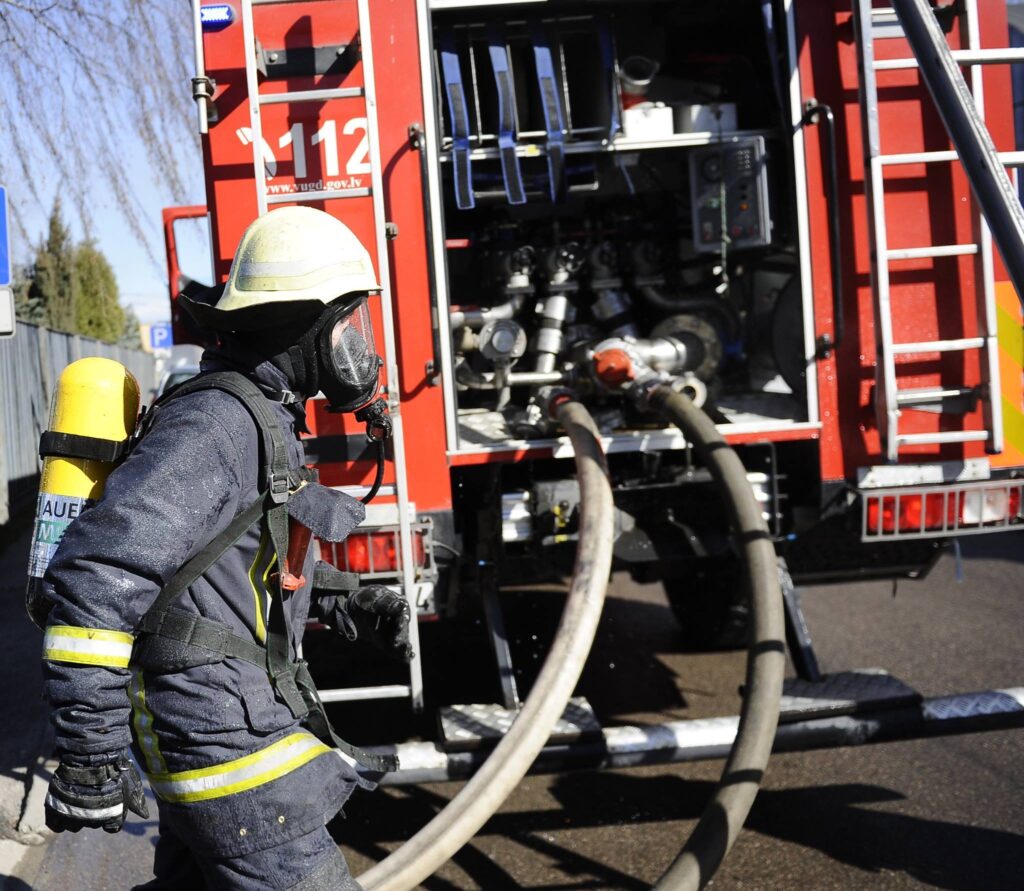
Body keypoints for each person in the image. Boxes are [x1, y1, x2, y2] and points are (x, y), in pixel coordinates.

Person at [35, 206, 413, 890]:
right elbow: (96, 574)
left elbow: (236, 561)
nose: (356, 346)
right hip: (224, 750)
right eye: (346, 322)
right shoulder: (215, 424)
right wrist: (91, 754)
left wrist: (351, 597)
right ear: (302, 324)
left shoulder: (258, 415)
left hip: (221, 732)